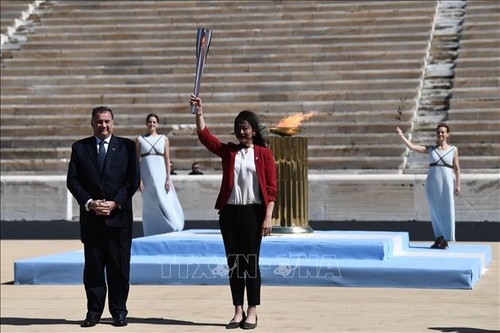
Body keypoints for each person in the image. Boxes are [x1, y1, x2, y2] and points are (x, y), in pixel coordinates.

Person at [190, 94, 277, 330]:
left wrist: (268, 217)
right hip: (229, 214)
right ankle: (237, 310)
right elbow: (205, 137)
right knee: (234, 264)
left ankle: (252, 311)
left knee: (251, 263)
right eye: (238, 128)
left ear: (254, 130)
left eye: (245, 128)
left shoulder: (264, 154)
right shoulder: (229, 152)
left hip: (253, 214)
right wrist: (199, 111)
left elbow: (271, 190)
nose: (241, 132)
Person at [67, 106, 140, 328]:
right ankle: (93, 312)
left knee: (119, 269)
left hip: (119, 220)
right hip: (92, 221)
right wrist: (90, 203)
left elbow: (133, 180)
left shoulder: (127, 147)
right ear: (92, 123)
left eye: (107, 121)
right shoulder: (80, 148)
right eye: (99, 122)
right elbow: (73, 181)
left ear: (113, 123)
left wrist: (115, 202)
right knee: (94, 269)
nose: (103, 125)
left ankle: (119, 311)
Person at [396, 123, 461, 249]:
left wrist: (458, 185)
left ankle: (446, 238)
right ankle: (438, 238)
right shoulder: (431, 149)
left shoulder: (453, 149)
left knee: (447, 209)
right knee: (434, 210)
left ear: (447, 134)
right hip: (432, 181)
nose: (440, 134)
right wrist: (401, 136)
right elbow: (412, 147)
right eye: (438, 132)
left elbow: (457, 168)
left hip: (447, 181)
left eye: (443, 132)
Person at [136, 113, 184, 236]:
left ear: (157, 124)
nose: (152, 124)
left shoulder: (164, 139)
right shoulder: (140, 139)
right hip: (146, 176)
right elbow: (137, 161)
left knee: (164, 199)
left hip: (161, 175)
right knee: (149, 202)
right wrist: (139, 179)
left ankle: (173, 225)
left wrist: (168, 178)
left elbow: (167, 160)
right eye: (149, 122)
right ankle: (152, 229)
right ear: (146, 123)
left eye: (154, 122)